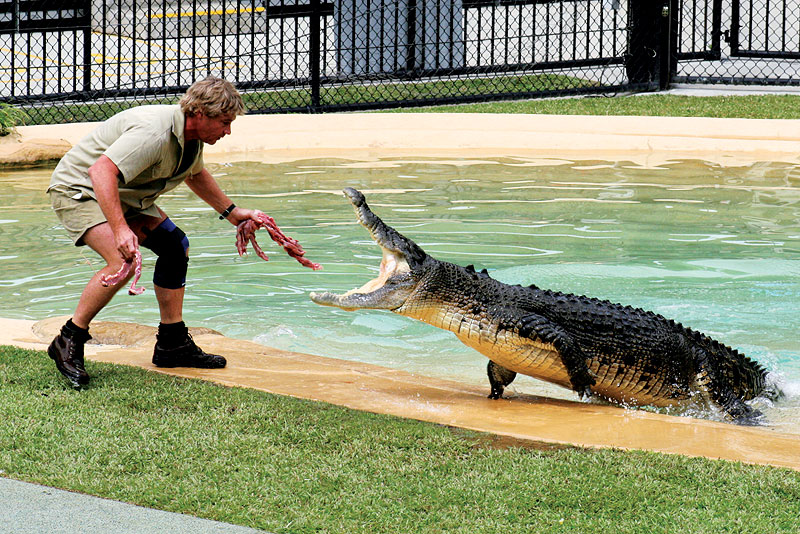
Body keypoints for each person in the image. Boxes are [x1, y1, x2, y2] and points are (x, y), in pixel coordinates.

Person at [46, 76, 262, 388]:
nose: (227, 131)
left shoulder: (192, 138)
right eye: (225, 122)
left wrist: (232, 213)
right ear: (200, 113)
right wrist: (121, 231)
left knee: (175, 246)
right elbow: (100, 171)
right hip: (80, 190)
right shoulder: (155, 132)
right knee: (123, 263)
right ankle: (68, 340)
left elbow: (195, 174)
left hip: (123, 194)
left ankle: (172, 344)